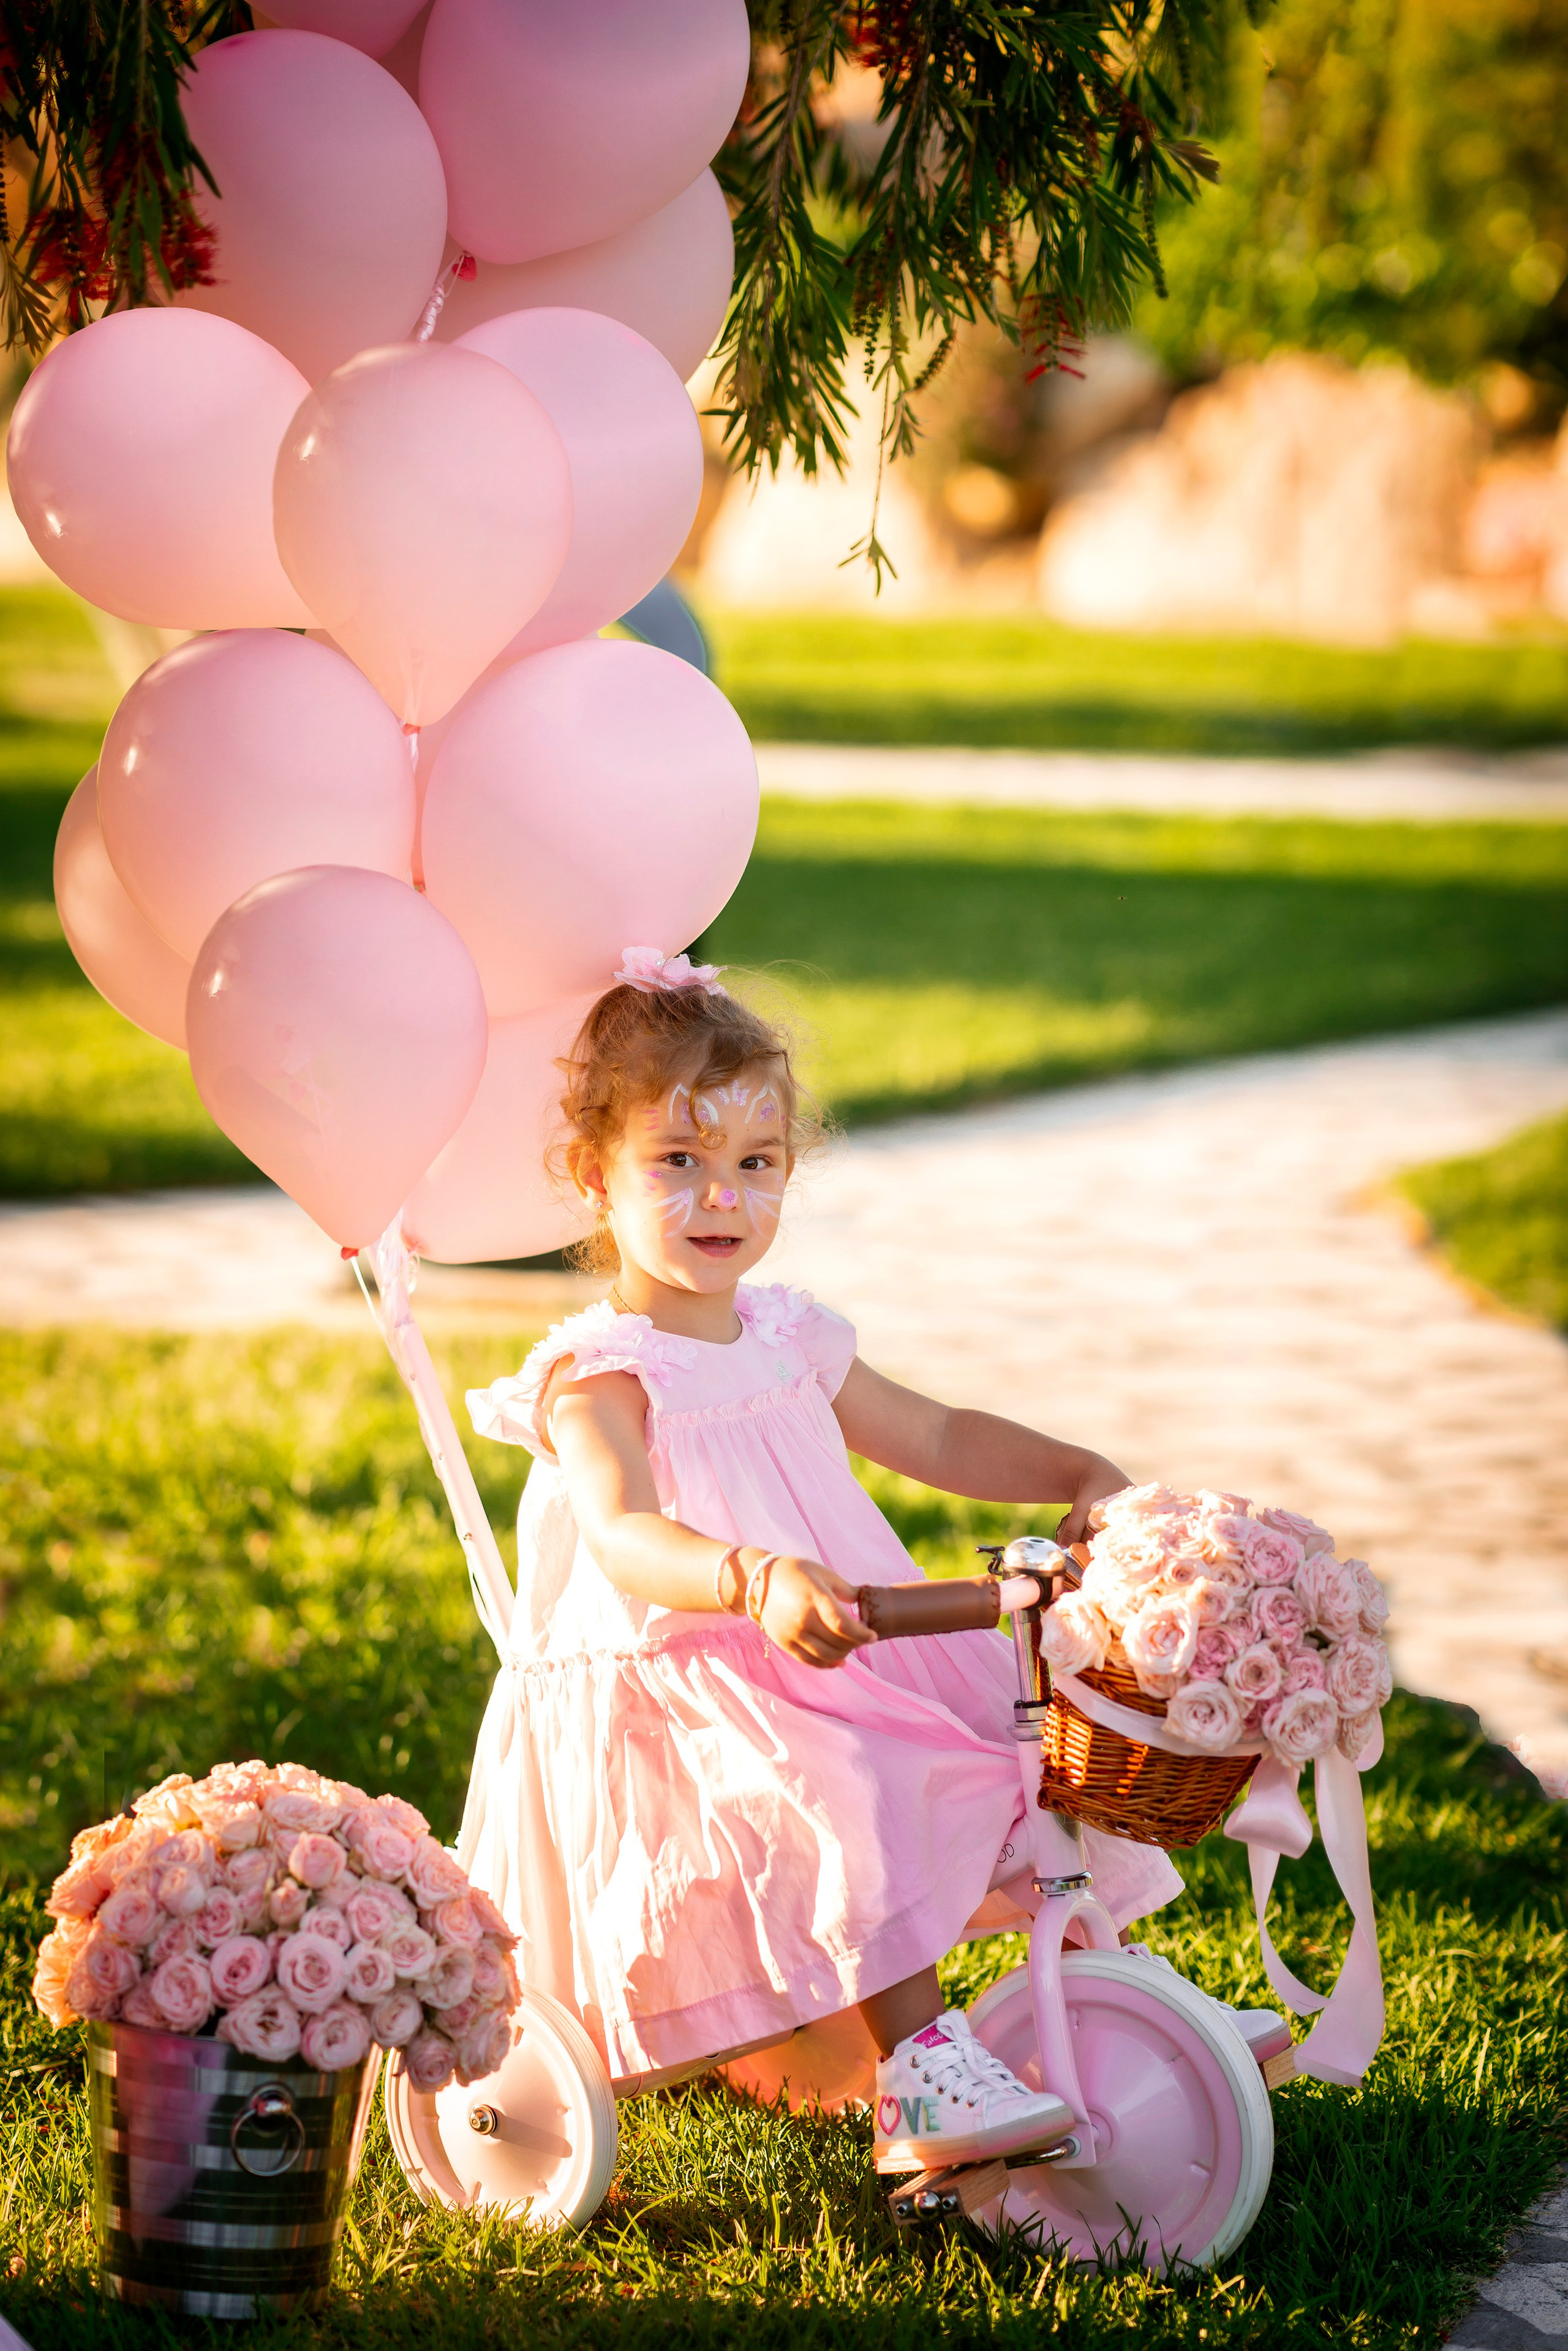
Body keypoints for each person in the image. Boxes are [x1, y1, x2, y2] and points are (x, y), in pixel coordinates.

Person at [461, 948, 1181, 2170]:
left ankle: (1097, 2004)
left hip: (840, 1638)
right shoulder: (600, 1373)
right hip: (700, 1668)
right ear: (593, 1177)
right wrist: (751, 1575)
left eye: (754, 1163)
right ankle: (919, 2074)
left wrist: (1076, 1469)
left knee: (1013, 1754)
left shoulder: (789, 1333)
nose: (719, 1197)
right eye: (675, 1162)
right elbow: (625, 1533)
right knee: (844, 1787)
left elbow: (936, 1431)